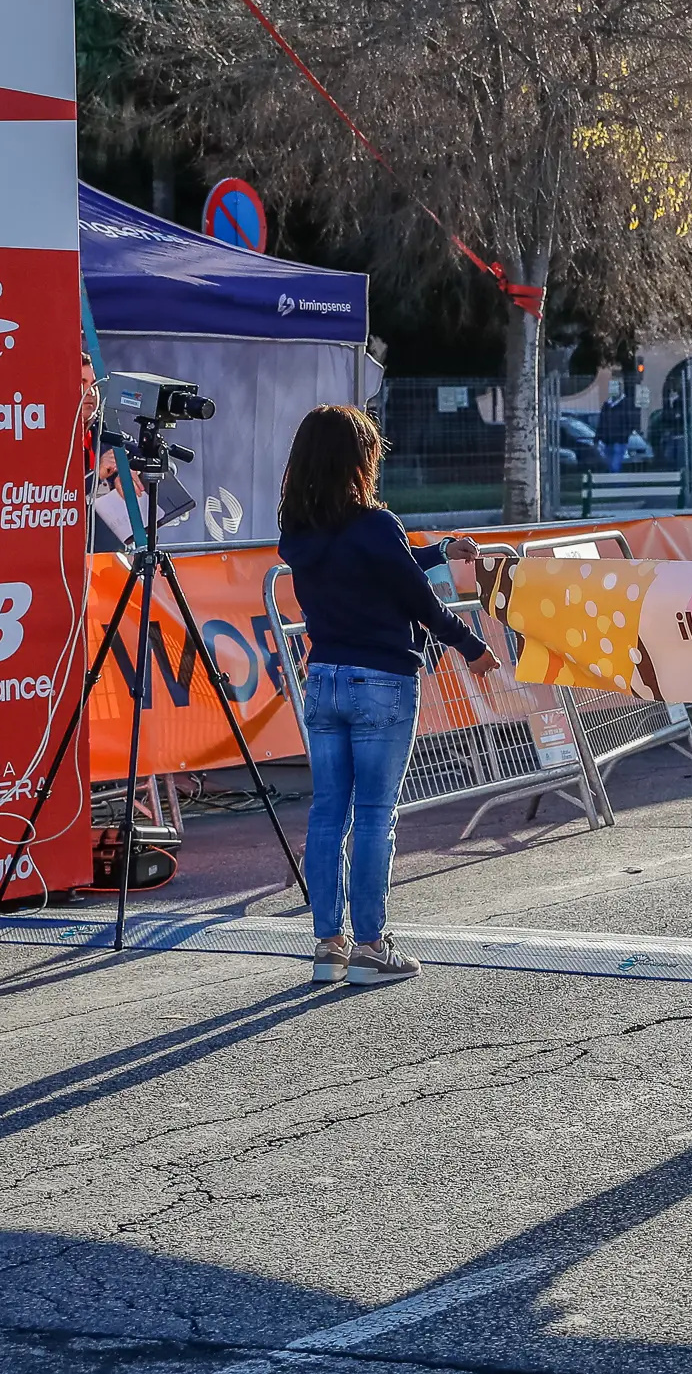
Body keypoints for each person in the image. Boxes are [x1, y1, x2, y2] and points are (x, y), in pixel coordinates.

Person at [277, 405, 498, 987]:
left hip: (322, 677)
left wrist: (436, 550)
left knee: (327, 814)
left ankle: (329, 948)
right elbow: (416, 601)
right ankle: (373, 948)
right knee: (375, 815)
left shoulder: (298, 531)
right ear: (359, 459)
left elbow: (379, 561)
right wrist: (471, 646)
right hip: (381, 680)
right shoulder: (375, 523)